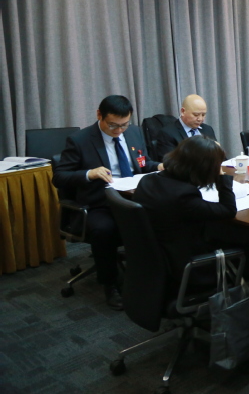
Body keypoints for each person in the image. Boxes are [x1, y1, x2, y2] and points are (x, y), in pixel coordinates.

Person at [53, 95, 162, 310]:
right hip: (99, 202)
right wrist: (89, 173)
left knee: (165, 215)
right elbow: (59, 177)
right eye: (113, 125)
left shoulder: (134, 132)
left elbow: (143, 163)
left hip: (132, 197)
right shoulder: (80, 140)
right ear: (99, 115)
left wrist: (158, 166)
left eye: (124, 124)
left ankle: (154, 276)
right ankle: (109, 283)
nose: (119, 130)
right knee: (104, 230)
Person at [132, 136, 235, 287]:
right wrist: (222, 178)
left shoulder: (149, 180)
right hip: (188, 267)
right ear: (203, 167)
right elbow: (228, 210)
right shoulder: (184, 196)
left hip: (153, 260)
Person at [155, 94, 217, 160]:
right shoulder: (168, 133)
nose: (200, 119)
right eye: (196, 115)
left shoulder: (208, 130)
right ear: (183, 111)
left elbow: (218, 157)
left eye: (203, 115)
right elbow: (169, 162)